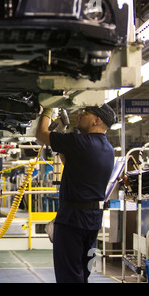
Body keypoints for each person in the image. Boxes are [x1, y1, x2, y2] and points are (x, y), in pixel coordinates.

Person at [35, 104, 116, 283]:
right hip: (92, 221)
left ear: (97, 120)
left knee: (69, 276)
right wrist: (62, 137)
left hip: (72, 221)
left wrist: (47, 109)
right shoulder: (108, 149)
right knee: (82, 273)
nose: (79, 115)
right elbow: (69, 159)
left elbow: (40, 134)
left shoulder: (80, 142)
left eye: (85, 113)